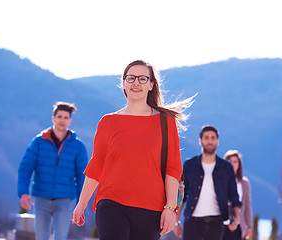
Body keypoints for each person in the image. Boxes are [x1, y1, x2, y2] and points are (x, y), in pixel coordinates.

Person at [72, 60, 194, 240]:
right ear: (123, 83)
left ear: (151, 85)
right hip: (111, 202)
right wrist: (81, 203)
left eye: (143, 78)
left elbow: (173, 168)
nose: (136, 82)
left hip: (150, 208)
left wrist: (170, 208)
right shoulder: (108, 122)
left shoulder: (165, 122)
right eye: (131, 78)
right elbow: (97, 164)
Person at [17, 101, 88, 240]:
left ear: (70, 121)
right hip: (41, 197)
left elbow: (82, 176)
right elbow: (25, 167)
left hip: (65, 199)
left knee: (60, 237)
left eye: (66, 117)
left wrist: (81, 203)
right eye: (59, 116)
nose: (62, 120)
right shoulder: (38, 142)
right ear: (53, 118)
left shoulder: (78, 146)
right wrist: (23, 193)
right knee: (41, 237)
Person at [174, 126, 242, 240]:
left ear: (217, 141)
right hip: (192, 222)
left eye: (213, 138)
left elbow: (234, 196)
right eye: (206, 138)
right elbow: (182, 195)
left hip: (216, 222)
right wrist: (176, 222)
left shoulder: (226, 167)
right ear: (200, 141)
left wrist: (237, 219)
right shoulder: (189, 165)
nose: (210, 141)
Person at [222, 150, 253, 240]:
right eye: (230, 161)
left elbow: (247, 206)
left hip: (238, 226)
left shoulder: (244, 184)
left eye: (235, 161)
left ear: (239, 164)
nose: (232, 164)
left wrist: (249, 226)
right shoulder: (220, 181)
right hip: (221, 225)